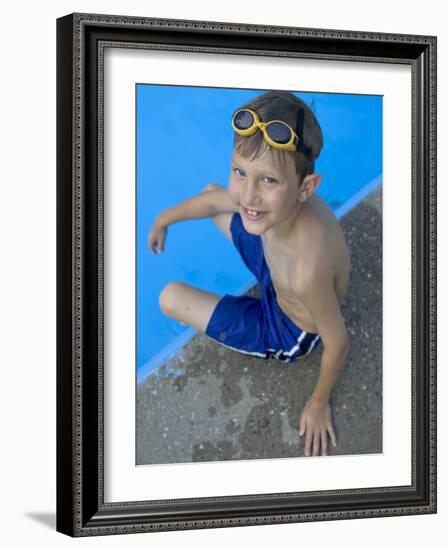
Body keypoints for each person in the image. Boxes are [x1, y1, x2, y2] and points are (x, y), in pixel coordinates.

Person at [147, 91, 350, 457]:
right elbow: (216, 200)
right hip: (277, 264)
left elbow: (338, 343)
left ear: (307, 187)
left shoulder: (306, 271)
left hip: (287, 327)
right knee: (213, 194)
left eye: (268, 181)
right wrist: (164, 219)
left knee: (170, 298)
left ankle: (260, 333)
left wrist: (318, 403)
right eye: (240, 172)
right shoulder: (282, 207)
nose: (249, 195)